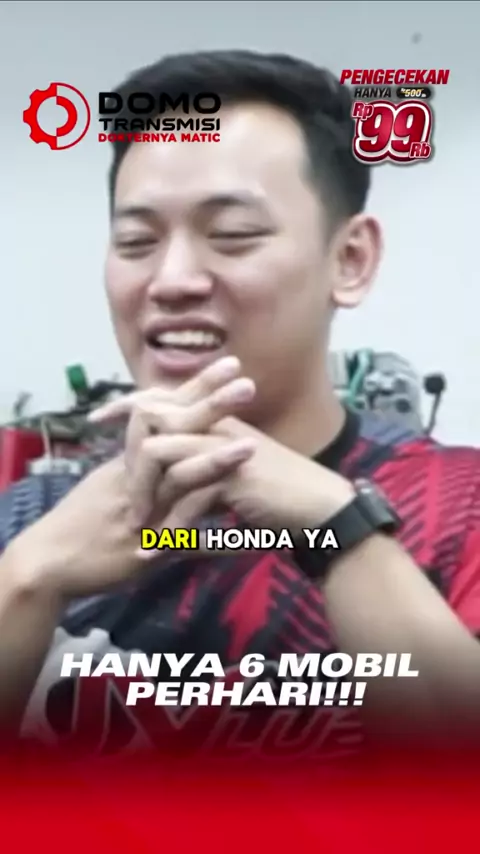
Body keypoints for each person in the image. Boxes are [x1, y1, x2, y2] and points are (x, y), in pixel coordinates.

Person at [1, 50, 479, 758]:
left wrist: (339, 528)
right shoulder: (27, 519)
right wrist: (27, 579)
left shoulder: (457, 508)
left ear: (349, 260)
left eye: (232, 236)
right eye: (136, 241)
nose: (172, 280)